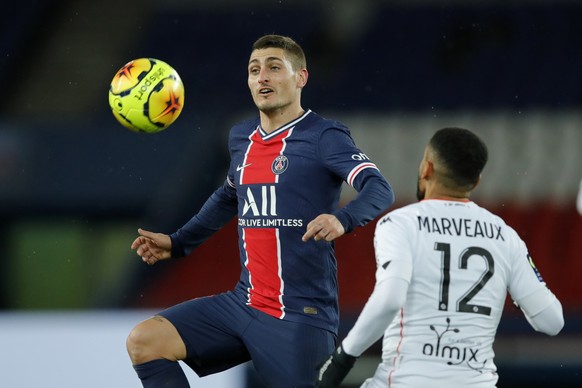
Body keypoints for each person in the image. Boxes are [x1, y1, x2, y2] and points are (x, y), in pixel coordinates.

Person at [126, 34, 394, 388]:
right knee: (145, 342)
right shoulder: (242, 138)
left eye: (273, 67)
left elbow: (379, 187)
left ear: (301, 78)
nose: (262, 77)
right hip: (242, 304)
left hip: (300, 315)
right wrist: (177, 243)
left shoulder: (324, 136)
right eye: (254, 70)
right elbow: (227, 197)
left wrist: (342, 219)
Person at [316, 127, 564, 388]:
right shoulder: (504, 236)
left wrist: (341, 360)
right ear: (476, 181)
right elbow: (552, 321)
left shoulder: (401, 223)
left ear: (427, 168)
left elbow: (390, 299)